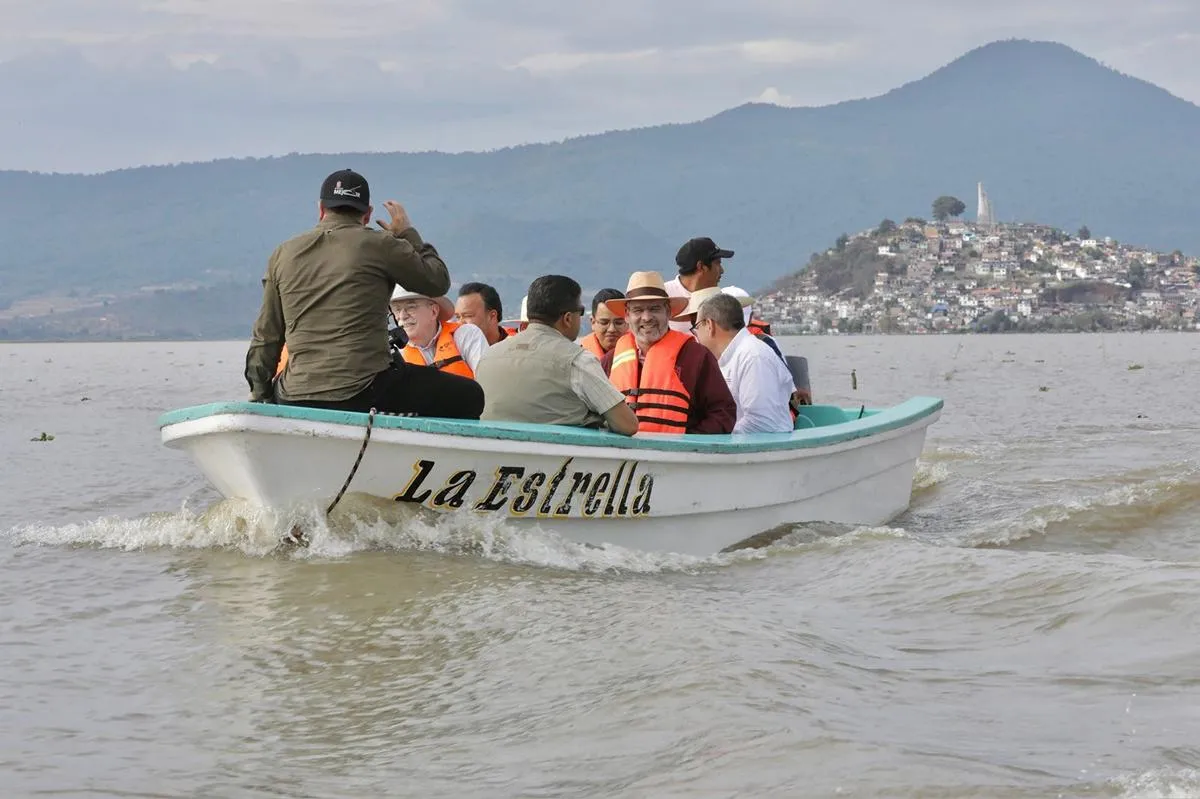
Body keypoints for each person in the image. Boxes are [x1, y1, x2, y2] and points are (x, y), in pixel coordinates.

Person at [245, 168, 483, 419]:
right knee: (471, 396)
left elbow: (266, 335)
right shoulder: (381, 244)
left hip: (294, 394)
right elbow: (437, 281)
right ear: (367, 215)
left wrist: (262, 397)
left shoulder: (282, 254)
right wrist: (406, 234)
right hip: (365, 389)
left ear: (321, 209)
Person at [476, 276, 638, 435]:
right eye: (580, 312)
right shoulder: (578, 360)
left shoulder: (488, 357)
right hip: (561, 459)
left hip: (494, 457)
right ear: (568, 318)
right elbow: (627, 425)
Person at [600, 271, 736, 434]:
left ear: (668, 312)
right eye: (638, 310)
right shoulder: (609, 361)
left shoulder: (697, 357)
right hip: (622, 456)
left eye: (654, 309)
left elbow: (723, 413)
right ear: (627, 316)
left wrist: (688, 441)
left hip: (675, 456)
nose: (646, 317)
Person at [692, 293, 795, 434]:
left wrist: (712, 436)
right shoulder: (730, 357)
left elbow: (762, 422)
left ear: (709, 325)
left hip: (763, 451)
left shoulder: (753, 356)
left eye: (697, 327)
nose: (695, 335)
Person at [392, 287, 488, 378]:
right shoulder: (395, 356)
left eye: (411, 307)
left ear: (434, 311)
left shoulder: (466, 335)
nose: (402, 316)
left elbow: (488, 382)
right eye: (397, 309)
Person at [664, 236, 734, 333]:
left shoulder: (717, 299)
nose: (722, 270)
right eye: (717, 263)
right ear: (701, 266)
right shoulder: (664, 297)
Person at [579, 288, 628, 358]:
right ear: (593, 322)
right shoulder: (577, 360)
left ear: (628, 322)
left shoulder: (641, 356)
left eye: (619, 323)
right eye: (604, 323)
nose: (612, 329)